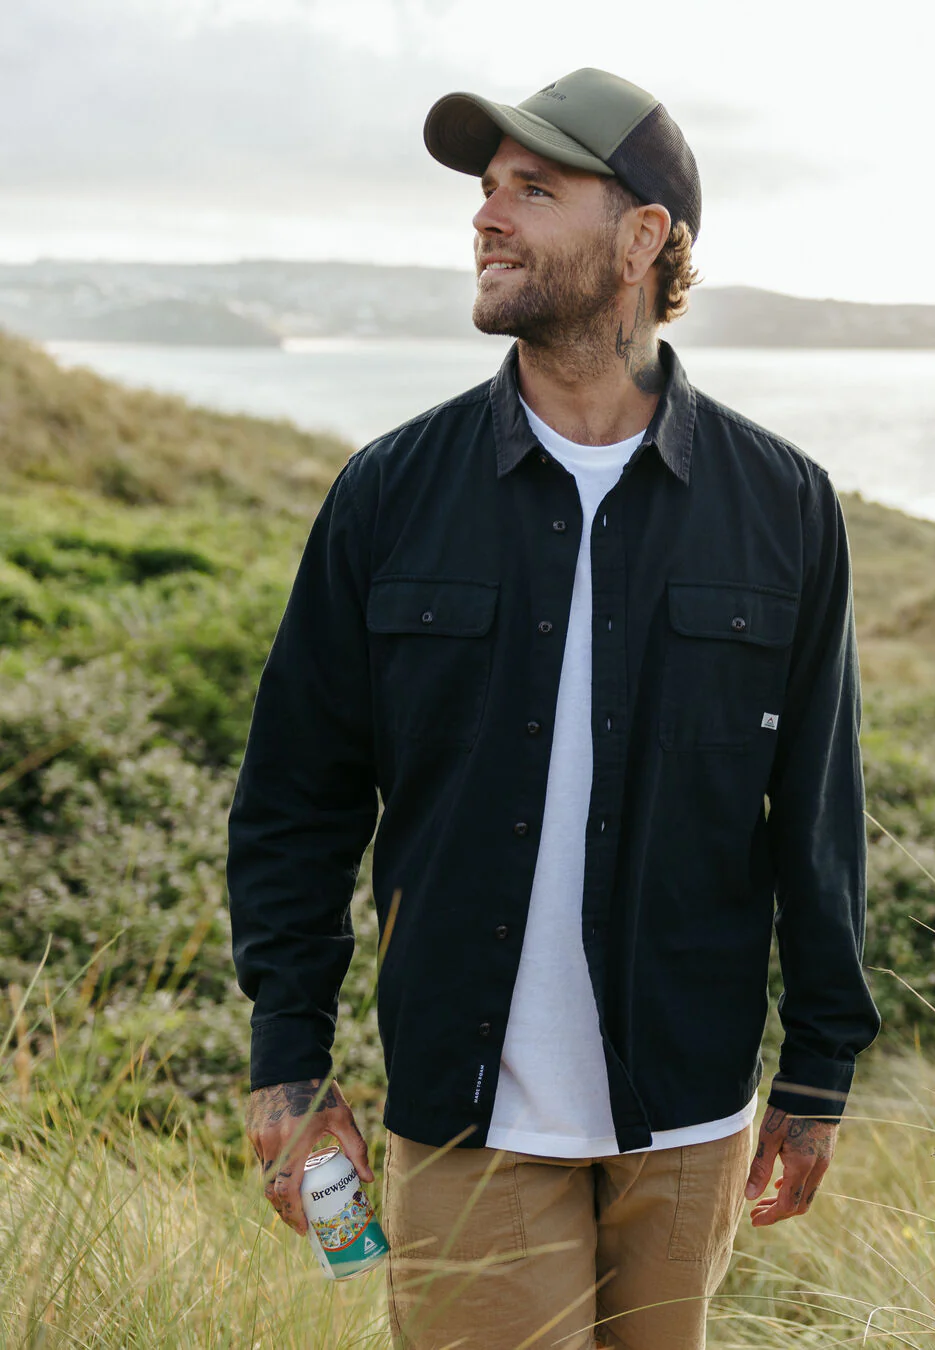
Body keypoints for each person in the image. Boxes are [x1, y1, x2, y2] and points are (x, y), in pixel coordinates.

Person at [228, 67, 880, 1350]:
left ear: (643, 238)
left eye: (535, 188)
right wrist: (288, 1058)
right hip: (469, 1119)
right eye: (487, 190)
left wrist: (818, 1070)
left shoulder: (786, 505)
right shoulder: (389, 493)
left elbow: (816, 812)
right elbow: (298, 799)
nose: (488, 216)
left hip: (689, 1118)